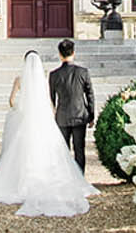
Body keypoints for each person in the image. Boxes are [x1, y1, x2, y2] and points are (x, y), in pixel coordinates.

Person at [0, 49, 96, 217]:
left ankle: (17, 182)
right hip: (44, 119)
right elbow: (50, 101)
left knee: (20, 151)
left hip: (25, 120)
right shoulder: (44, 80)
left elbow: (12, 101)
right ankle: (63, 179)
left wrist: (19, 109)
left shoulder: (20, 79)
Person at [48, 38, 95, 171]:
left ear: (60, 54)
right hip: (80, 115)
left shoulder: (54, 75)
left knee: (63, 151)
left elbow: (51, 98)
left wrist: (54, 114)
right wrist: (91, 115)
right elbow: (90, 94)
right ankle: (80, 177)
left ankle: (65, 177)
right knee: (79, 149)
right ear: (73, 53)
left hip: (62, 116)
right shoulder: (83, 72)